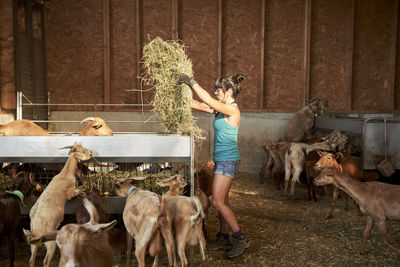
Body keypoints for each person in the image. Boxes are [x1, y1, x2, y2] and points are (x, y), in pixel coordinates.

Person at [178, 73, 252, 258]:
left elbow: (209, 100)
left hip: (228, 161)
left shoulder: (232, 110)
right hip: (221, 160)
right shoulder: (220, 110)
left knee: (218, 202)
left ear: (228, 91)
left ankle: (241, 238)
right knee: (223, 201)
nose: (215, 91)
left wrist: (192, 82)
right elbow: (198, 104)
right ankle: (223, 237)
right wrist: (178, 95)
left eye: (219, 88)